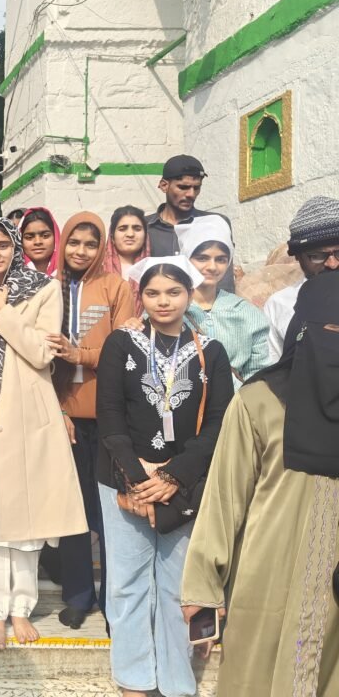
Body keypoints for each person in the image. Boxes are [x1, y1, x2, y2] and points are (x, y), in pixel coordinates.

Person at [181, 271, 339, 696]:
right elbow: (223, 500)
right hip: (269, 581)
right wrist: (203, 587)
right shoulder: (260, 402)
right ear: (303, 330)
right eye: (332, 329)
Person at [96, 256, 234, 697]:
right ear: (142, 296)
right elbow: (110, 414)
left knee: (179, 586)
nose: (163, 301)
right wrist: (139, 478)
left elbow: (218, 424)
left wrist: (172, 476)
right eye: (153, 293)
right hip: (123, 478)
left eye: (173, 292)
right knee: (127, 583)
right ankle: (135, 680)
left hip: (184, 485)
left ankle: (177, 684)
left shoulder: (209, 351)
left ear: (189, 294)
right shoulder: (121, 343)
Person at [0, 217, 86, 648]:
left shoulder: (43, 289)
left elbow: (40, 353)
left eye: (2, 245)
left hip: (27, 419)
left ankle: (20, 608)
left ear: (16, 247)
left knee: (28, 521)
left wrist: (3, 309)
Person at [48, 213, 135, 629]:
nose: (80, 250)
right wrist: (59, 409)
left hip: (110, 418)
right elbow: (41, 356)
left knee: (110, 513)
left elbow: (124, 351)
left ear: (102, 246)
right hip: (65, 416)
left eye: (89, 243)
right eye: (74, 242)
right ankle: (78, 595)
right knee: (74, 511)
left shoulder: (116, 287)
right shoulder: (53, 288)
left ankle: (112, 600)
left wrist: (80, 354)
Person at [175, 215, 270, 385]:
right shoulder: (168, 309)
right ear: (186, 258)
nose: (212, 267)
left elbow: (259, 374)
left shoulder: (247, 313)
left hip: (235, 406)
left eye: (220, 259)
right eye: (202, 258)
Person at [263, 195, 339, 362]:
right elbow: (276, 371)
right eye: (317, 256)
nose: (332, 264)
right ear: (297, 257)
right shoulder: (279, 305)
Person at [145, 154, 234, 292]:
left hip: (206, 310)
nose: (191, 194)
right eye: (183, 187)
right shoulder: (142, 228)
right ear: (164, 185)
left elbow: (223, 281)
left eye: (196, 188)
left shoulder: (214, 224)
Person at [103, 205, 150, 316]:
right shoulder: (98, 269)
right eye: (122, 228)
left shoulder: (154, 270)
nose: (130, 234)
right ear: (112, 236)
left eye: (137, 229)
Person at [19, 207, 60, 276]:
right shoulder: (11, 277)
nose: (38, 242)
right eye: (29, 237)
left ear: (56, 237)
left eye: (45, 235)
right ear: (20, 240)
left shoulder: (69, 274)